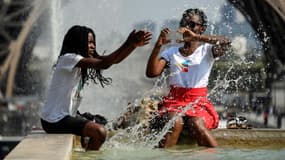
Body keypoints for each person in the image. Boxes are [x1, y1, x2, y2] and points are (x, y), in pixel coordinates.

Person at [40, 25, 152, 150]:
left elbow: (114, 60)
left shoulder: (79, 61)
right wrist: (128, 42)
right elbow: (104, 64)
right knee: (99, 132)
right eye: (89, 43)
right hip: (54, 120)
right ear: (78, 42)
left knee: (105, 124)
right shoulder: (68, 58)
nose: (93, 46)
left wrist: (133, 46)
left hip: (67, 116)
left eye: (93, 42)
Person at [146, 8, 231, 148]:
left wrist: (196, 38)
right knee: (175, 122)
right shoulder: (171, 52)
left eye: (192, 25)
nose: (187, 28)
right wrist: (158, 45)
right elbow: (152, 73)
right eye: (184, 24)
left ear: (201, 29)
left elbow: (226, 42)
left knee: (197, 123)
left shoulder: (207, 50)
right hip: (174, 102)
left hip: (198, 102)